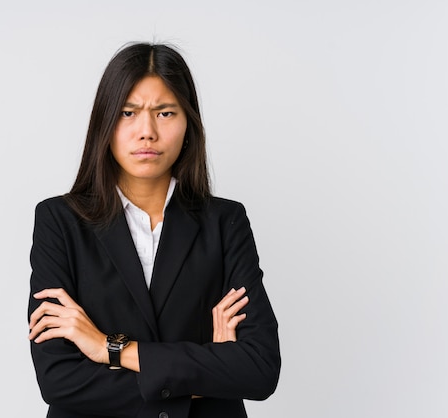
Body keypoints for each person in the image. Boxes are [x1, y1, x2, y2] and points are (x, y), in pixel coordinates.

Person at [27, 43, 280, 418]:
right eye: (128, 113)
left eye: (165, 112)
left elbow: (259, 369)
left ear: (188, 124)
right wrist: (204, 377)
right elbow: (59, 379)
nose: (146, 132)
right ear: (105, 122)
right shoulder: (59, 221)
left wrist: (109, 349)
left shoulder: (225, 222)